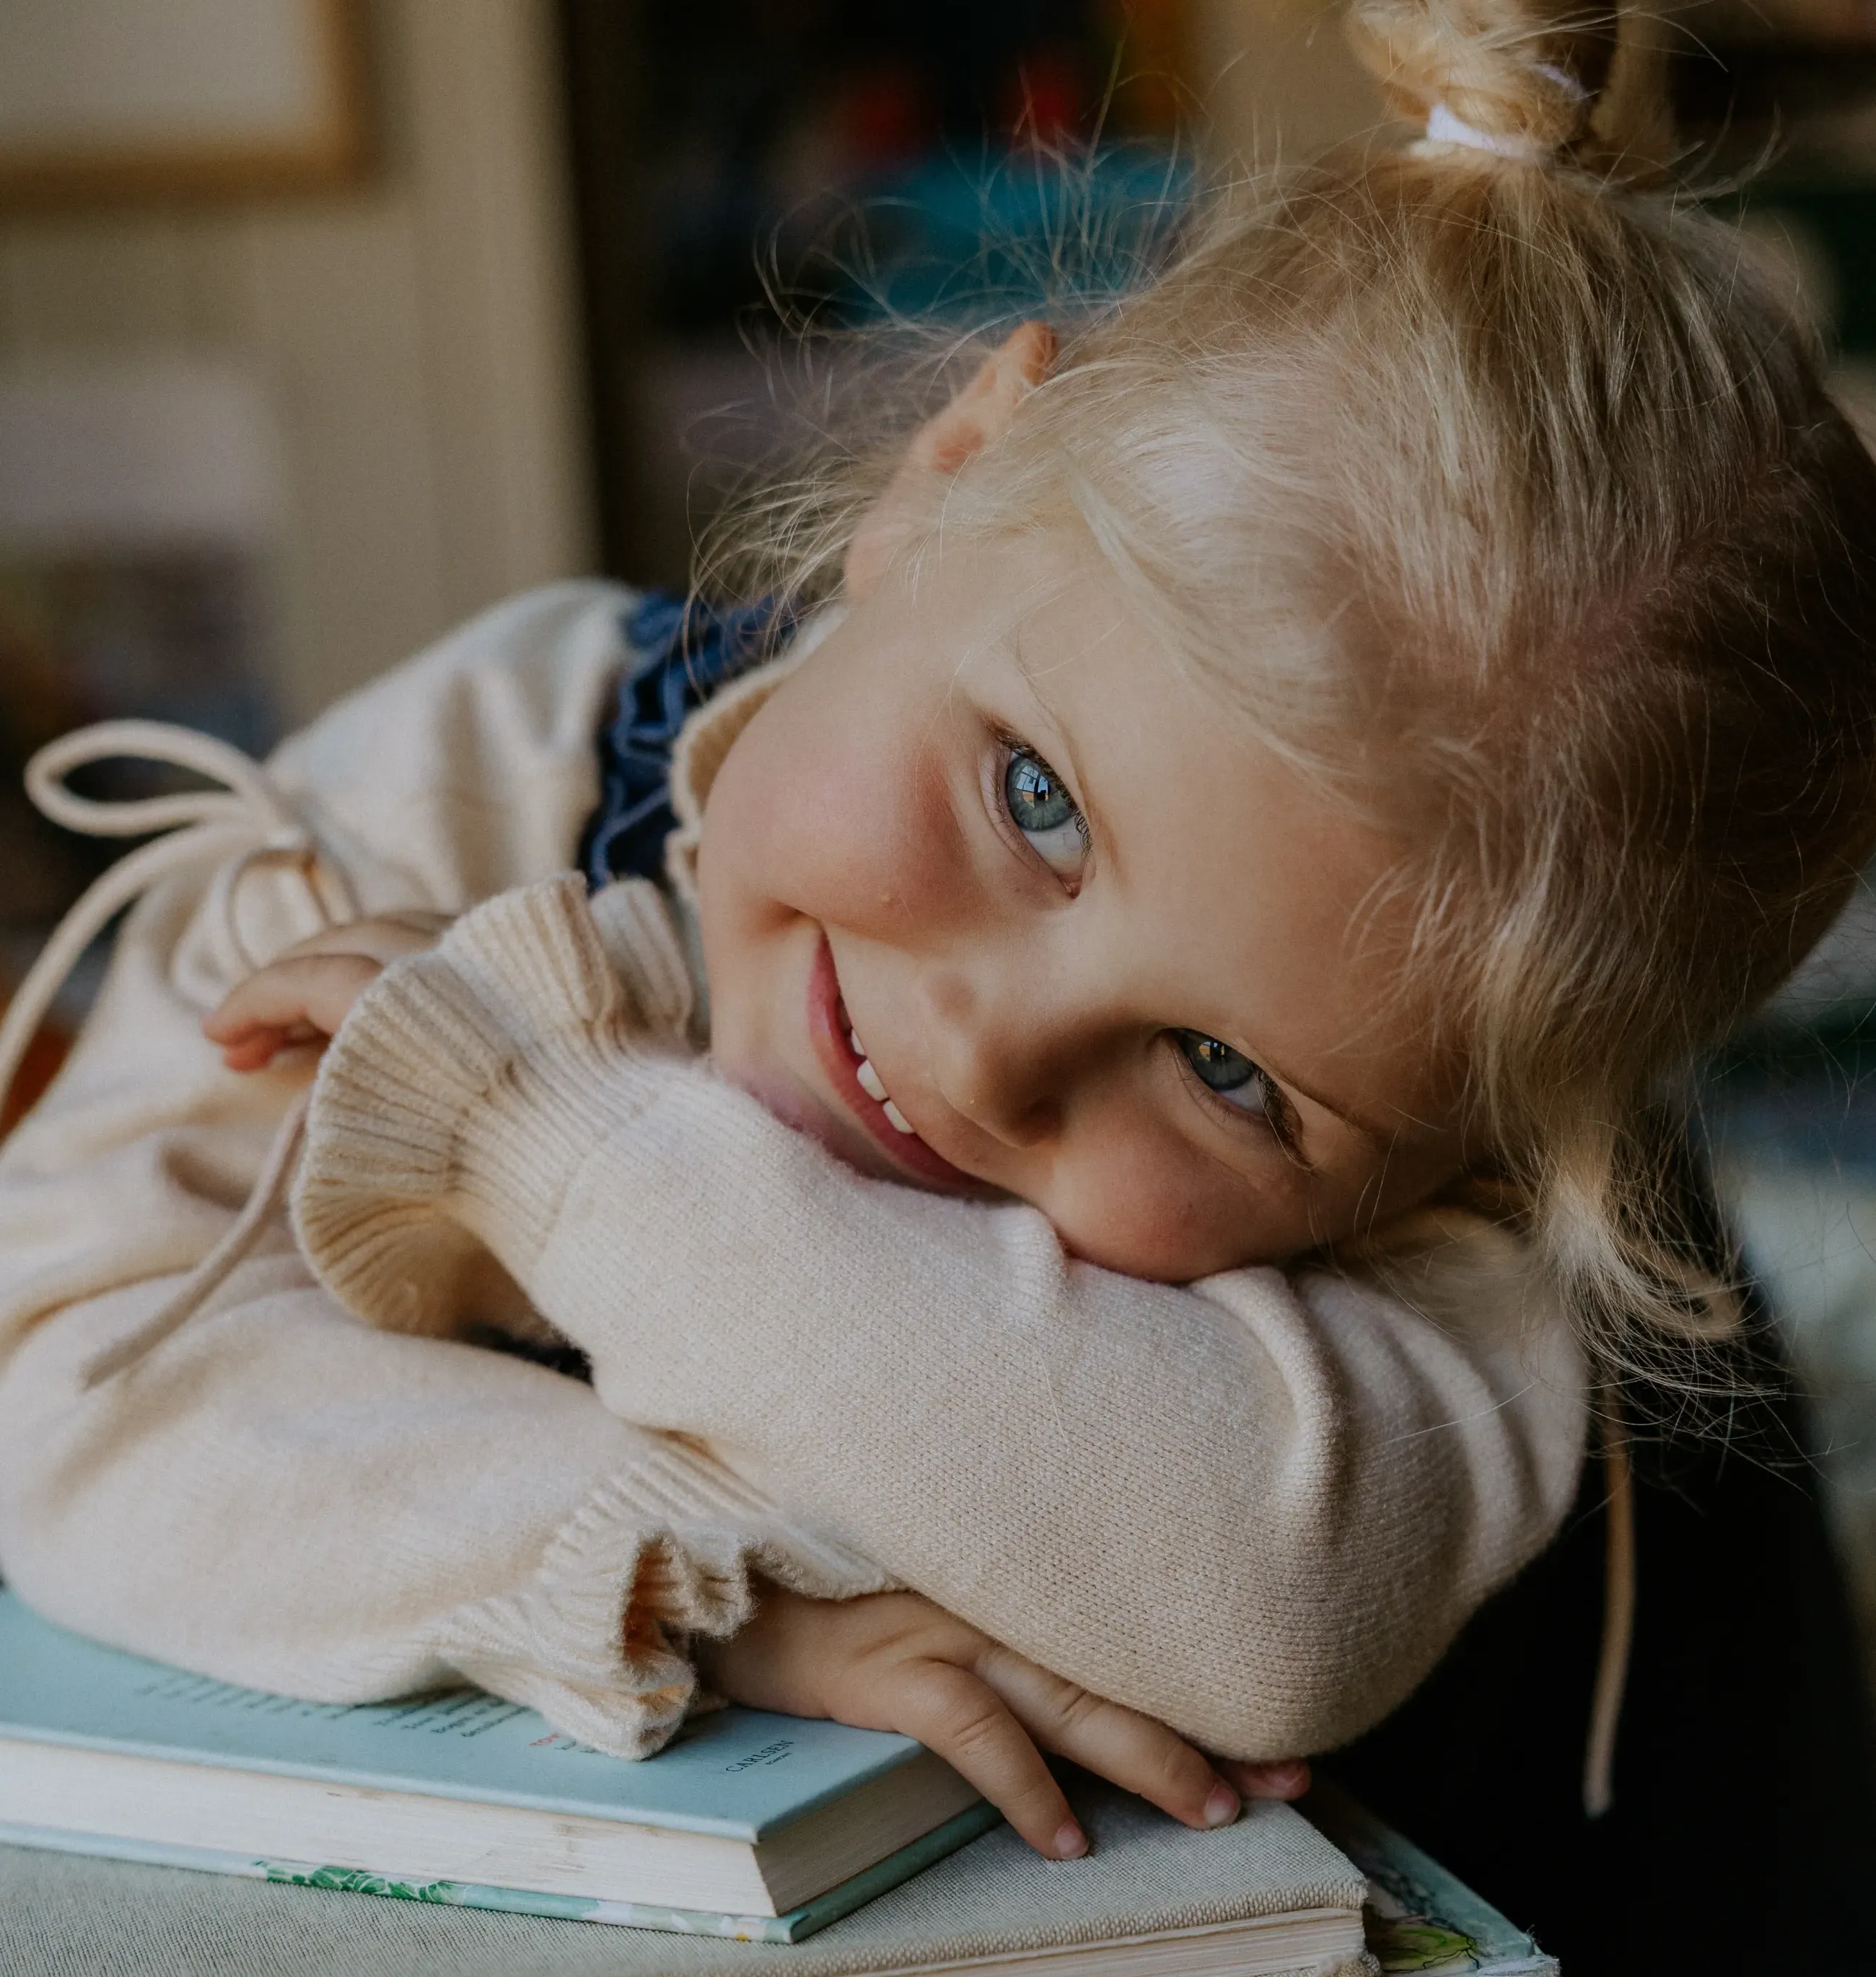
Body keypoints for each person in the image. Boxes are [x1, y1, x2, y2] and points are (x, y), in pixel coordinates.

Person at [2, 0, 1873, 1877]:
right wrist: (696, 1578)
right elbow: (70, 1376)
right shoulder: (490, 760)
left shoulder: (1468, 1186)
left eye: (1226, 1075)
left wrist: (531, 1128)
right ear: (952, 471)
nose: (986, 1054)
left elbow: (1263, 1605)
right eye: (1034, 799)